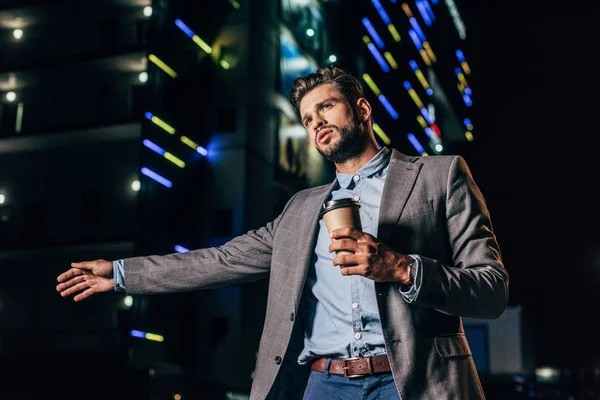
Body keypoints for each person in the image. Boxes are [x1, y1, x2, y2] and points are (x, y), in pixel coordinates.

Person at [56, 66, 509, 399]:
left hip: (413, 381)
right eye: (309, 119)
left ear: (362, 109)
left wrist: (401, 268)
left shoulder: (438, 175)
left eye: (326, 107)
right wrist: (118, 273)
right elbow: (220, 260)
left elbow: (491, 290)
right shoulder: (301, 208)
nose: (317, 123)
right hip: (324, 385)